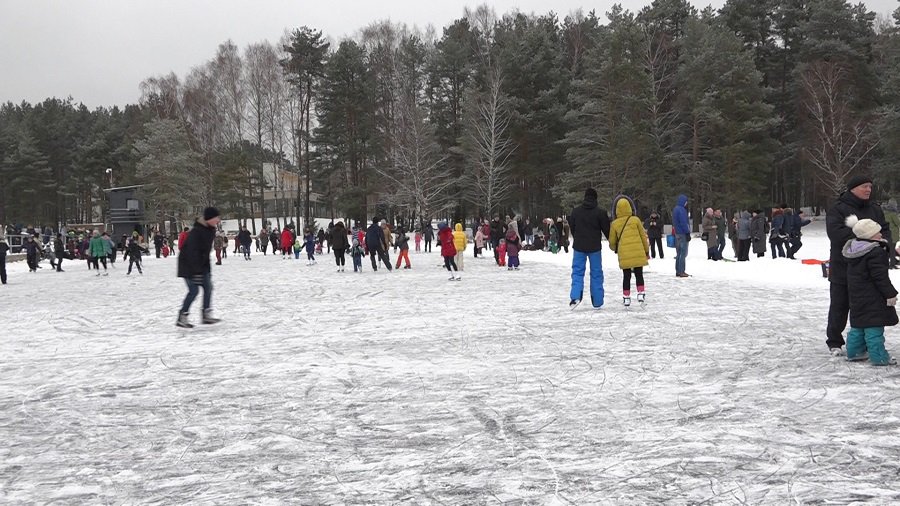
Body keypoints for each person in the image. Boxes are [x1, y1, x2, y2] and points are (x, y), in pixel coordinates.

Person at [826, 175, 889, 356]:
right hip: (843, 267)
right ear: (853, 188)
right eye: (864, 186)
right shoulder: (838, 209)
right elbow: (835, 233)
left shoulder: (874, 209)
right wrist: (867, 239)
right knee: (839, 305)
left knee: (867, 307)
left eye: (870, 186)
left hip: (870, 271)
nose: (868, 190)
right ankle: (834, 341)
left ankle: (865, 342)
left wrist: (885, 244)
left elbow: (884, 230)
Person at [841, 215, 898, 365]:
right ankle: (879, 358)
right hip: (873, 297)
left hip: (857, 295)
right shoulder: (875, 252)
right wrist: (890, 293)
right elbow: (880, 277)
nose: (880, 234)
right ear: (870, 235)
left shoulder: (854, 250)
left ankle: (855, 352)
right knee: (874, 327)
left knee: (858, 325)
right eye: (877, 232)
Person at [176, 207, 221, 328]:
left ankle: (206, 314)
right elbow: (192, 252)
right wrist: (196, 272)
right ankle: (182, 316)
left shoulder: (210, 230)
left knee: (208, 287)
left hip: (201, 265)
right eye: (216, 217)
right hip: (188, 265)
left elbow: (205, 252)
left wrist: (207, 269)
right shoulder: (197, 232)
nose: (218, 220)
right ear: (209, 218)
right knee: (194, 291)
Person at [569, 187, 612, 308]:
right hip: (595, 248)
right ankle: (597, 300)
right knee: (596, 273)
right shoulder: (600, 212)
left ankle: (575, 296)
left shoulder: (576, 212)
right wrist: (614, 243)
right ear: (595, 198)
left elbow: (572, 227)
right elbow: (607, 231)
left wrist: (577, 237)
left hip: (579, 246)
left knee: (577, 271)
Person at [609, 195, 650, 307]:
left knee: (626, 276)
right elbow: (643, 237)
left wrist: (615, 248)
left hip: (624, 254)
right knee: (639, 274)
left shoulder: (615, 224)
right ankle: (641, 293)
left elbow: (612, 242)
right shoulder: (636, 220)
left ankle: (626, 297)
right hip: (637, 252)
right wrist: (646, 251)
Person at [673, 194, 690, 277]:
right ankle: (681, 271)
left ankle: (677, 270)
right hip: (682, 233)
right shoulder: (682, 210)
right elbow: (683, 222)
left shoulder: (675, 209)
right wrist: (687, 232)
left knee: (679, 253)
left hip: (677, 233)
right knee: (683, 253)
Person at [884, 200, 899, 269]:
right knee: (892, 250)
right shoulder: (893, 214)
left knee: (888, 249)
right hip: (893, 234)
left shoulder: (884, 213)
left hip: (886, 233)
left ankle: (886, 263)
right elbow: (898, 223)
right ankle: (892, 264)